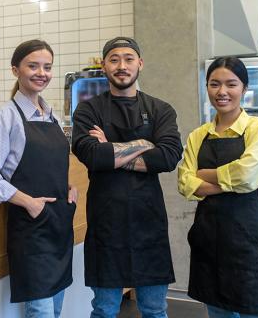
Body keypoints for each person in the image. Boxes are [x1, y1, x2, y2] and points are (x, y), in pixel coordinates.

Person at [72, 37, 183, 318]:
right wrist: (145, 145)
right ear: (104, 65)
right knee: (104, 309)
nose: (122, 66)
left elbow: (169, 157)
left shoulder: (161, 109)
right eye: (114, 59)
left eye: (129, 58)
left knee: (155, 310)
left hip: (149, 224)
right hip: (106, 225)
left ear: (140, 64)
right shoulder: (88, 109)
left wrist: (110, 151)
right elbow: (91, 155)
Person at [0, 39, 78, 318]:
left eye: (47, 67)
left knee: (55, 310)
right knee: (40, 311)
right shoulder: (5, 117)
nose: (41, 73)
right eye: (33, 66)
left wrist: (68, 190)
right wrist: (28, 202)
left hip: (58, 225)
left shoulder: (51, 116)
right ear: (15, 70)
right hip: (31, 229)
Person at [178, 56, 258, 318]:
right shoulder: (198, 135)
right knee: (218, 313)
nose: (222, 92)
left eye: (231, 84)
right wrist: (232, 183)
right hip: (210, 242)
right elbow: (185, 183)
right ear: (206, 87)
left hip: (250, 241)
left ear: (244, 88)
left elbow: (248, 176)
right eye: (214, 84)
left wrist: (205, 175)